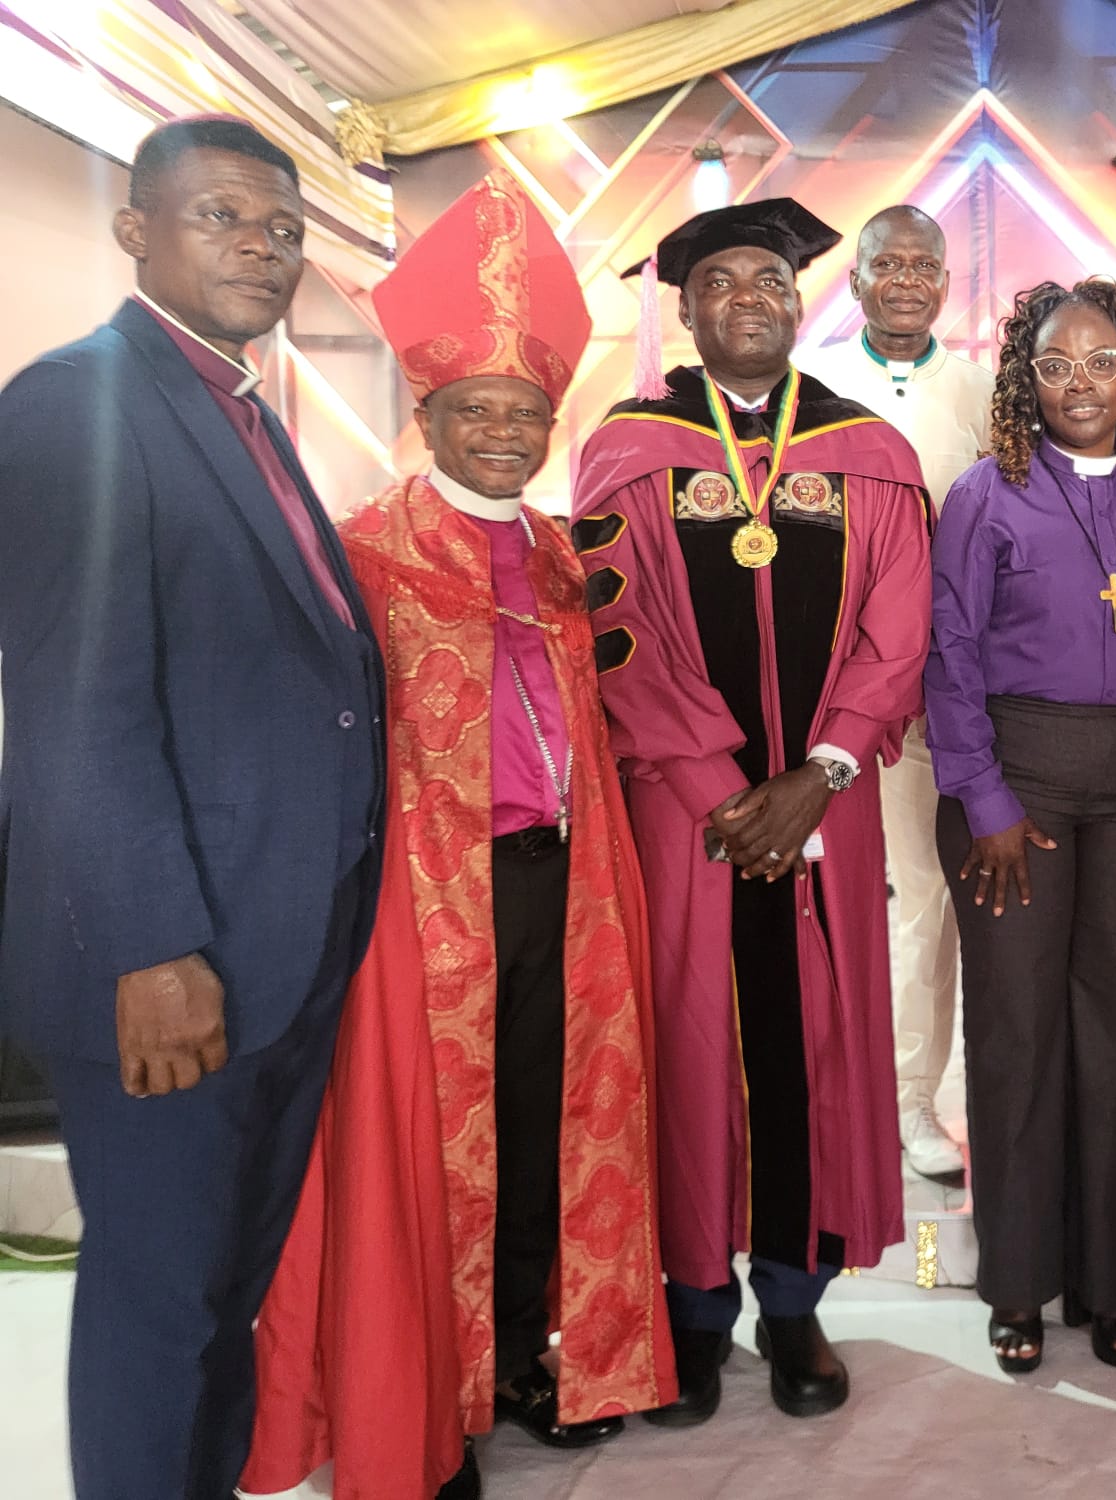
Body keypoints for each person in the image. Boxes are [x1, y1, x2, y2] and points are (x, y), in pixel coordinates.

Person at [237, 173, 674, 1500]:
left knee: (544, 1132)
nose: (500, 432)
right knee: (432, 1155)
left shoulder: (562, 553)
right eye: (474, 410)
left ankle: (530, 1360)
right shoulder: (360, 552)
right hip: (422, 910)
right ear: (425, 417)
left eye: (522, 413)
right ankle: (431, 1398)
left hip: (563, 888)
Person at [0, 117, 384, 1500]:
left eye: (283, 229)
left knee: (225, 1292)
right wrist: (151, 948)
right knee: (160, 1305)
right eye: (223, 216)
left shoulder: (239, 407)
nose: (263, 248)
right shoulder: (77, 403)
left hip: (275, 943)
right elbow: (74, 709)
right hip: (170, 962)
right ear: (136, 230)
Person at [571, 198, 932, 1425]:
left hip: (828, 803)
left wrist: (818, 773)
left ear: (798, 301)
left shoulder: (866, 451)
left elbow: (899, 629)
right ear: (683, 309)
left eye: (769, 280)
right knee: (687, 1039)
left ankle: (791, 1301)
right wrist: (724, 790)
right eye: (720, 281)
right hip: (688, 809)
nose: (748, 299)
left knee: (812, 1042)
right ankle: (688, 1308)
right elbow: (614, 629)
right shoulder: (631, 448)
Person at [928, 278, 1116, 1375]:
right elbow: (950, 650)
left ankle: (1105, 1284)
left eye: (1103, 362)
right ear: (1025, 379)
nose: (1081, 384)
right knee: (1016, 1030)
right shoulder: (984, 493)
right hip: (1017, 782)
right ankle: (1016, 1281)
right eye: (1055, 365)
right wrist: (984, 797)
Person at [795, 204, 994, 1185]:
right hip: (826, 689)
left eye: (925, 266)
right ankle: (821, 1095)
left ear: (945, 284)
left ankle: (913, 1101)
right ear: (858, 279)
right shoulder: (811, 383)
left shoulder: (981, 390)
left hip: (935, 689)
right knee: (819, 899)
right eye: (889, 264)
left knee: (924, 900)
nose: (907, 280)